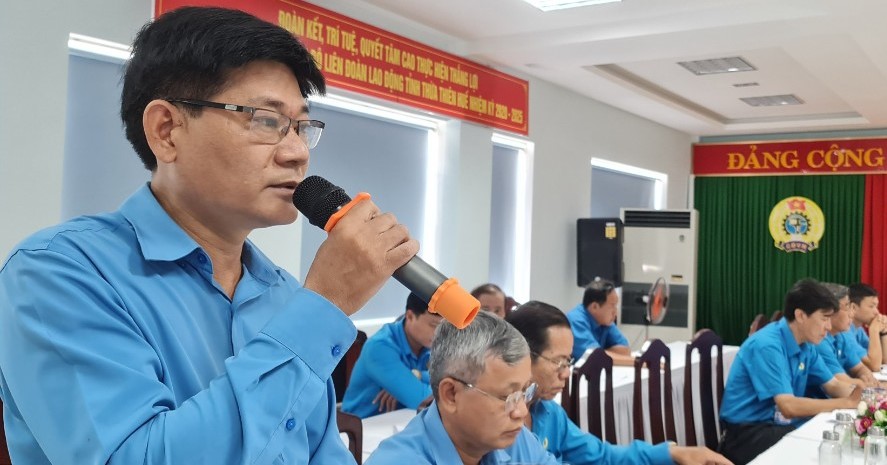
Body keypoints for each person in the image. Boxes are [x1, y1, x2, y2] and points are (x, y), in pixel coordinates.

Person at [0, 7, 419, 464]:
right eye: (266, 120)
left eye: (301, 126)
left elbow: (320, 453)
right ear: (166, 130)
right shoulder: (57, 274)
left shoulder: (284, 295)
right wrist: (327, 303)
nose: (298, 152)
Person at [506, 301, 733, 465]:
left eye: (568, 361)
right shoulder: (499, 426)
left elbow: (602, 456)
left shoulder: (550, 413)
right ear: (522, 357)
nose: (566, 373)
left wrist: (673, 453)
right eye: (558, 362)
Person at [365, 311, 558, 465]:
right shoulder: (397, 461)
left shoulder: (515, 439)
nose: (521, 412)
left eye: (525, 392)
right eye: (507, 396)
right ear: (451, 394)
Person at [718, 278, 862, 465]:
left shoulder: (806, 345)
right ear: (800, 315)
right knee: (821, 449)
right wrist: (846, 403)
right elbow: (788, 407)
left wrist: (866, 398)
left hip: (776, 425)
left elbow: (833, 385)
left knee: (833, 440)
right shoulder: (767, 345)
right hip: (747, 434)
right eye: (824, 318)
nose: (828, 326)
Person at [341, 293, 440, 418]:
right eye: (434, 325)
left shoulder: (429, 343)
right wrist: (413, 386)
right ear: (410, 316)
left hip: (404, 418)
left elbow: (452, 381)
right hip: (365, 424)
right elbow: (423, 400)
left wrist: (417, 375)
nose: (439, 333)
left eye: (443, 326)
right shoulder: (379, 347)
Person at [808, 283, 877, 398]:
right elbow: (837, 382)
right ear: (830, 311)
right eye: (847, 307)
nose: (852, 313)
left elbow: (859, 368)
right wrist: (867, 385)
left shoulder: (842, 335)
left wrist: (866, 376)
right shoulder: (819, 340)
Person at [567, 279, 635, 365]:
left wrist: (600, 353)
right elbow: (595, 358)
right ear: (595, 307)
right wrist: (600, 354)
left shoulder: (604, 320)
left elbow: (625, 350)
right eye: (612, 305)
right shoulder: (576, 320)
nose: (615, 312)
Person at [848, 283, 886, 371]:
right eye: (871, 306)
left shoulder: (859, 329)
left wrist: (884, 332)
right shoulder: (844, 331)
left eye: (876, 307)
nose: (877, 312)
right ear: (853, 307)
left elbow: (884, 361)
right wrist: (874, 330)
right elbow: (874, 366)